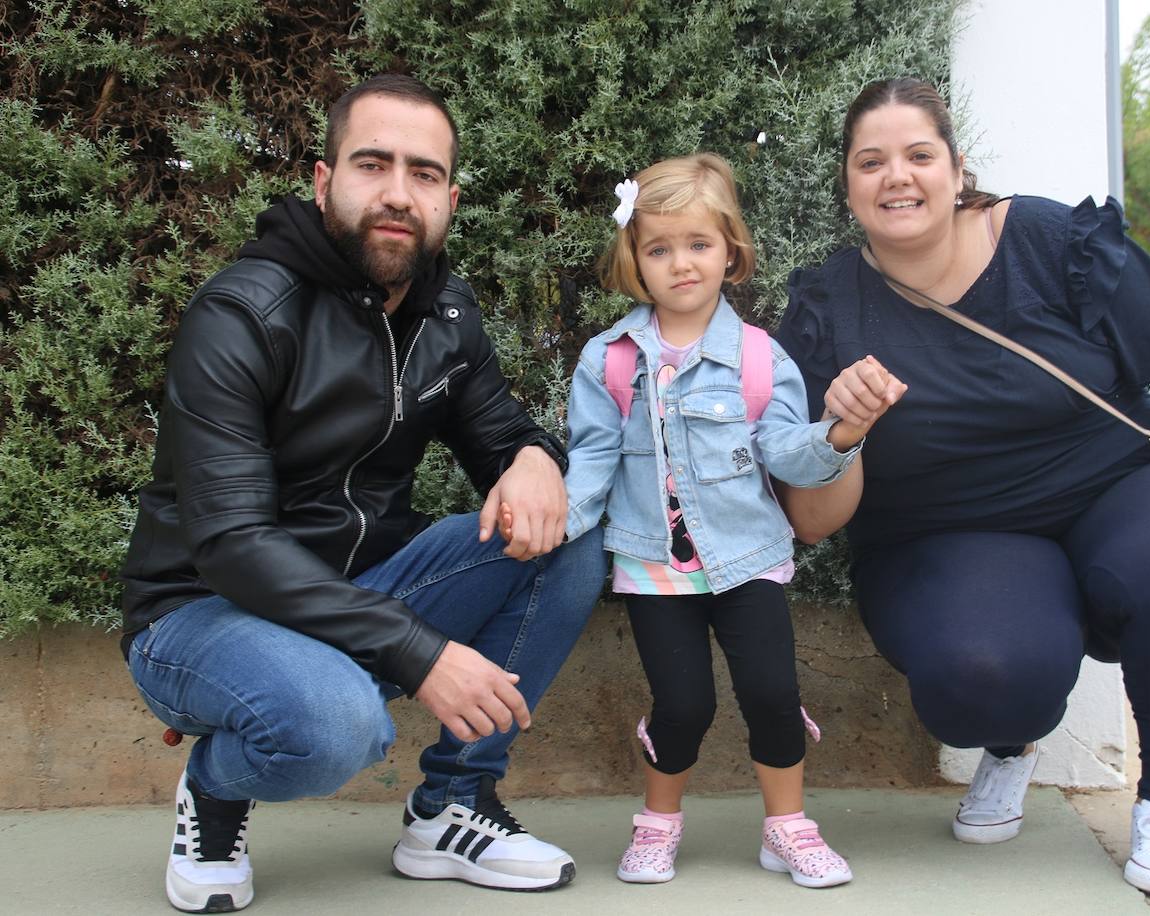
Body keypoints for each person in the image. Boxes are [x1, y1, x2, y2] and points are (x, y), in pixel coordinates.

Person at [771, 77, 1150, 900]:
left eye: (920, 155)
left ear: (958, 171)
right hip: (947, 533)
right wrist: (842, 435)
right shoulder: (828, 307)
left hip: (1119, 485)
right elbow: (813, 521)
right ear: (849, 188)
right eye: (871, 161)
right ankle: (1011, 742)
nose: (898, 176)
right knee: (982, 672)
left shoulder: (1051, 239)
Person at [119, 74, 606, 913]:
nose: (396, 194)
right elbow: (231, 542)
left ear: (449, 198)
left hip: (353, 594)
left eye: (422, 174)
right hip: (198, 614)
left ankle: (449, 807)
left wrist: (533, 458)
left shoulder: (445, 314)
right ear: (322, 181)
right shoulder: (242, 315)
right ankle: (215, 784)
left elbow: (500, 432)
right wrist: (419, 652)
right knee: (336, 724)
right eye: (372, 164)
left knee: (568, 537)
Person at [557, 153, 884, 889]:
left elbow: (788, 454)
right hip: (652, 566)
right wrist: (558, 520)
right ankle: (657, 825)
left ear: (730, 252)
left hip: (747, 558)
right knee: (684, 704)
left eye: (698, 244)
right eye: (659, 247)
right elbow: (592, 461)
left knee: (772, 694)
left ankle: (788, 828)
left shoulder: (761, 361)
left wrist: (838, 434)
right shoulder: (608, 361)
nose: (680, 264)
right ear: (634, 257)